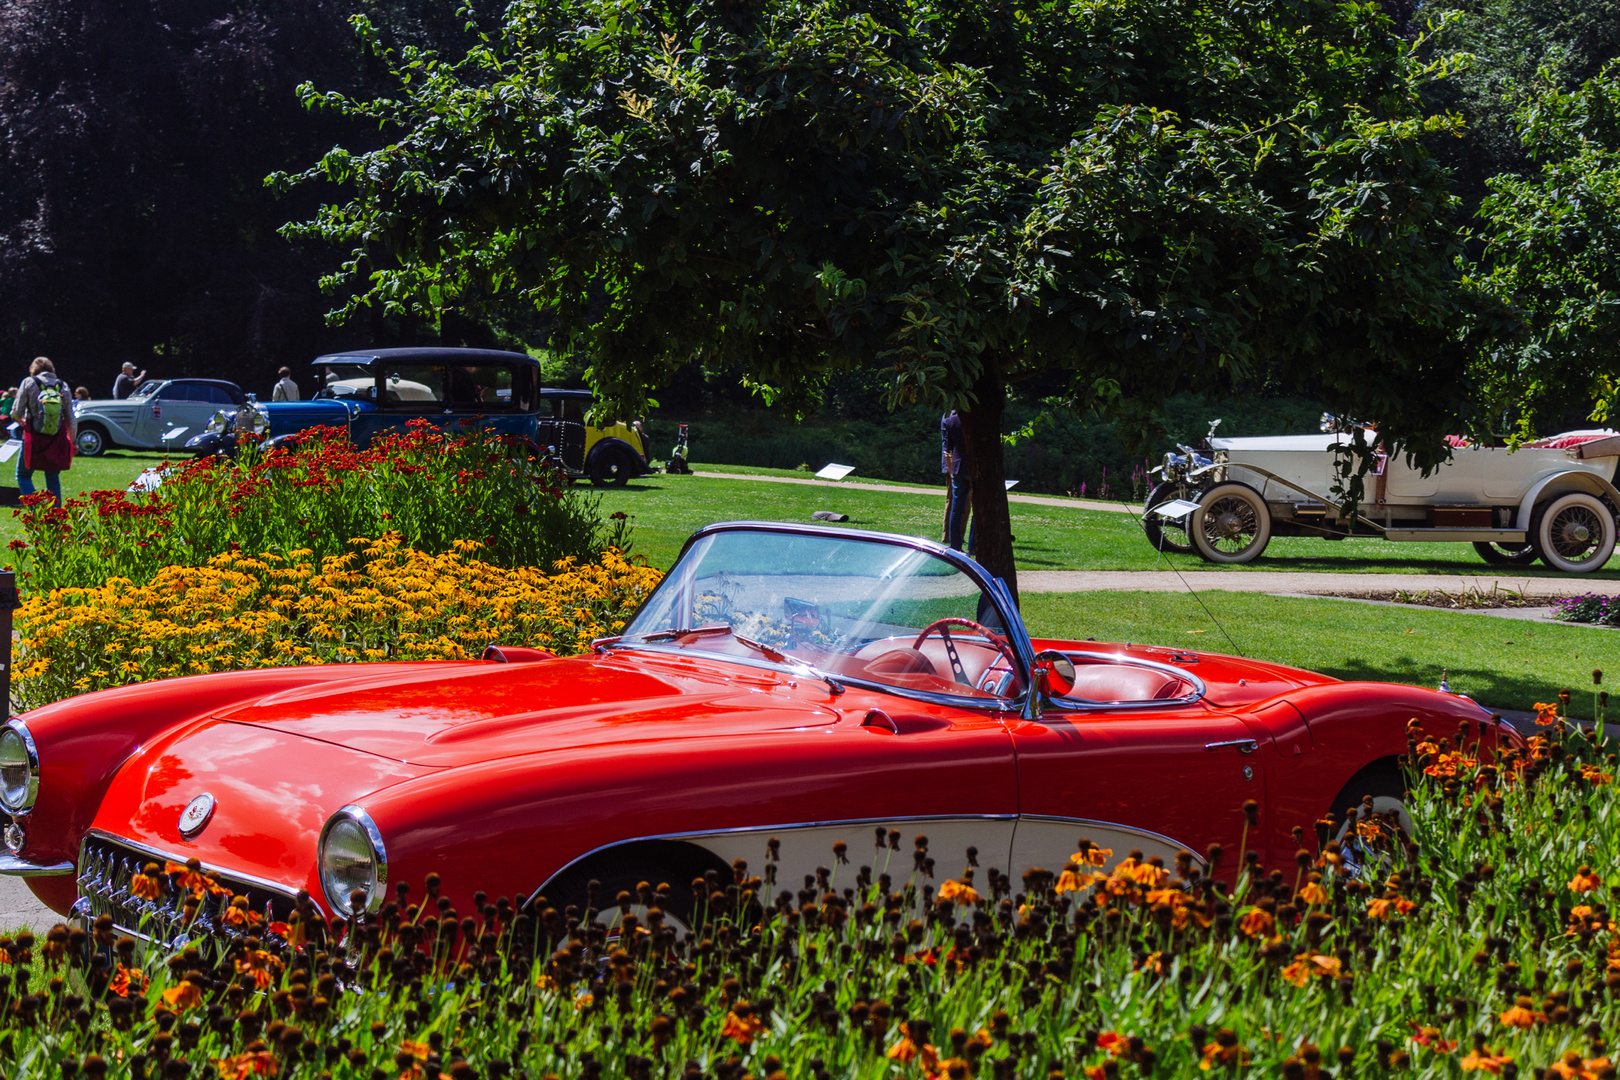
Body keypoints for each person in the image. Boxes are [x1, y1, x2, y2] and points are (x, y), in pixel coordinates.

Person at [13, 357, 75, 503]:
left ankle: (37, 508)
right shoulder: (62, 385)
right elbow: (70, 417)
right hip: (56, 436)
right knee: (53, 477)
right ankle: (56, 515)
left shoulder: (29, 382)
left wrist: (18, 419)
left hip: (33, 436)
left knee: (23, 475)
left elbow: (16, 411)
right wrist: (72, 441)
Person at [941, 409, 972, 552]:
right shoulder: (975, 417)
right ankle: (973, 545)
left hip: (958, 466)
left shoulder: (950, 419)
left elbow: (948, 448)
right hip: (974, 466)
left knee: (956, 508)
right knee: (978, 508)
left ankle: (955, 545)